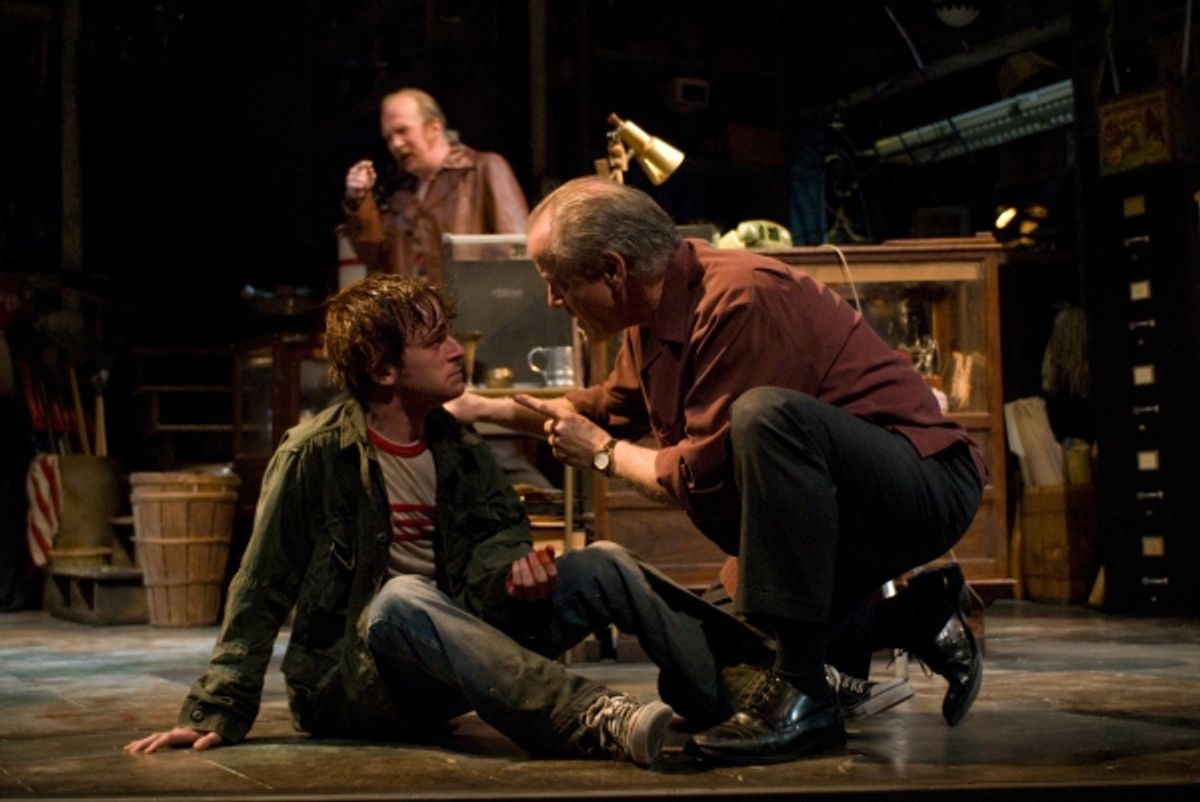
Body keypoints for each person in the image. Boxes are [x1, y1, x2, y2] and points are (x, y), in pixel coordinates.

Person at [124, 273, 776, 767]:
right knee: (401, 598)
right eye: (431, 340)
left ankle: (746, 690)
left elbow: (498, 540)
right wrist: (218, 705)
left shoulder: (457, 446)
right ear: (382, 369)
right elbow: (259, 586)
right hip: (359, 684)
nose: (454, 350)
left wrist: (515, 576)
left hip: (457, 658)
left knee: (604, 560)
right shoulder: (314, 454)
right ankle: (593, 717)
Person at [446, 177, 986, 765]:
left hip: (917, 486)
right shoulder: (652, 315)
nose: (553, 300)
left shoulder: (739, 298)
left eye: (558, 282)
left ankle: (806, 695)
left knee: (767, 414)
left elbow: (704, 468)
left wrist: (601, 452)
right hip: (825, 518)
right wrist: (480, 409)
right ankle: (914, 617)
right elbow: (611, 407)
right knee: (703, 679)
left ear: (611, 270)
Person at [342, 88, 528, 284]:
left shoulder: (481, 170)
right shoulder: (400, 195)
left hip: (472, 309)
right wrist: (358, 200)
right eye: (388, 138)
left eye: (402, 131)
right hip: (415, 311)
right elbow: (374, 256)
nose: (395, 144)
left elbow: (517, 251)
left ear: (434, 127)